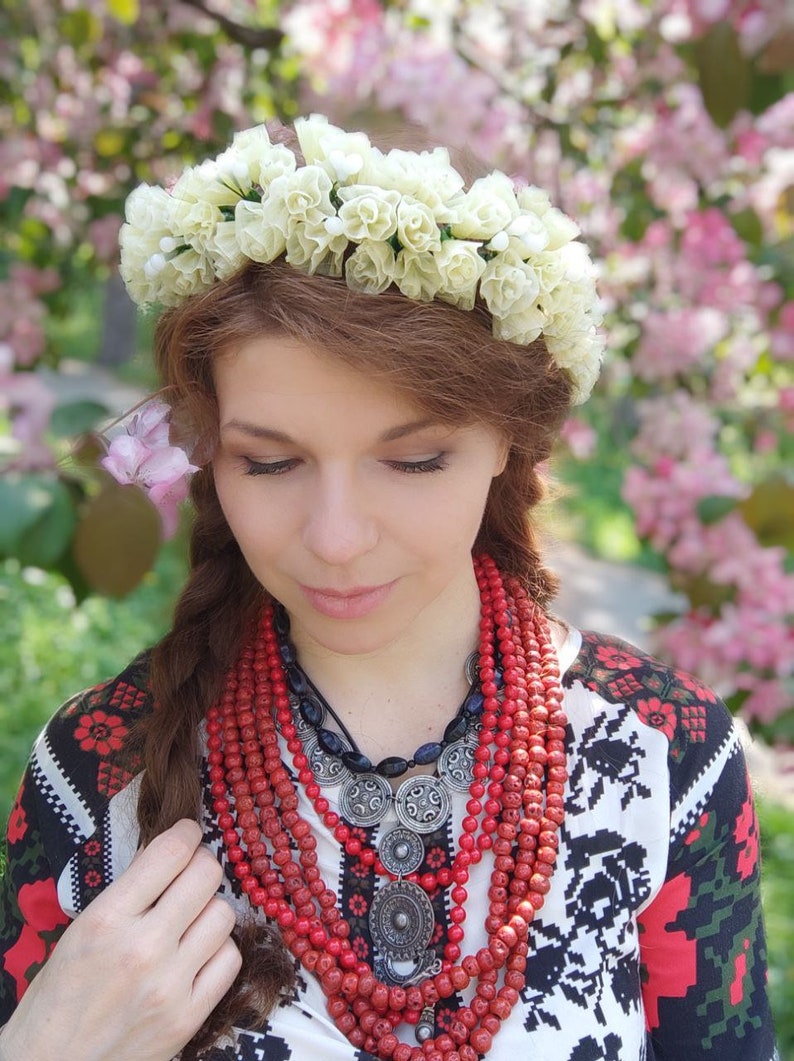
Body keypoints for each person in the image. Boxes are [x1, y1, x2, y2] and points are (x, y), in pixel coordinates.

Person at [0, 115, 778, 1061]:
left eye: (411, 461)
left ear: (509, 439)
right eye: (270, 463)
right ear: (210, 451)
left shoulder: (671, 760)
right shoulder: (95, 772)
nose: (335, 540)